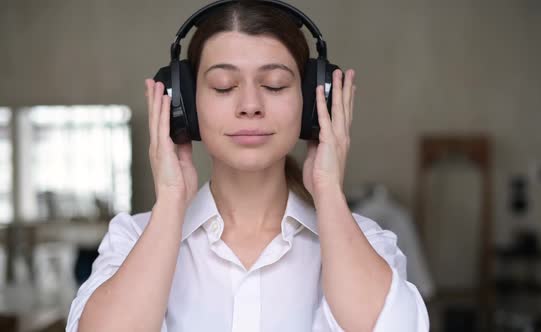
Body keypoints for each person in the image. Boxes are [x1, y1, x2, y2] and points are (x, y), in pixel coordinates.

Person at [65, 1, 429, 331]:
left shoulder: (367, 242)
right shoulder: (132, 238)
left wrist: (328, 189)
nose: (250, 105)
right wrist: (171, 201)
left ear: (311, 101)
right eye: (224, 86)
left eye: (274, 85)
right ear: (185, 106)